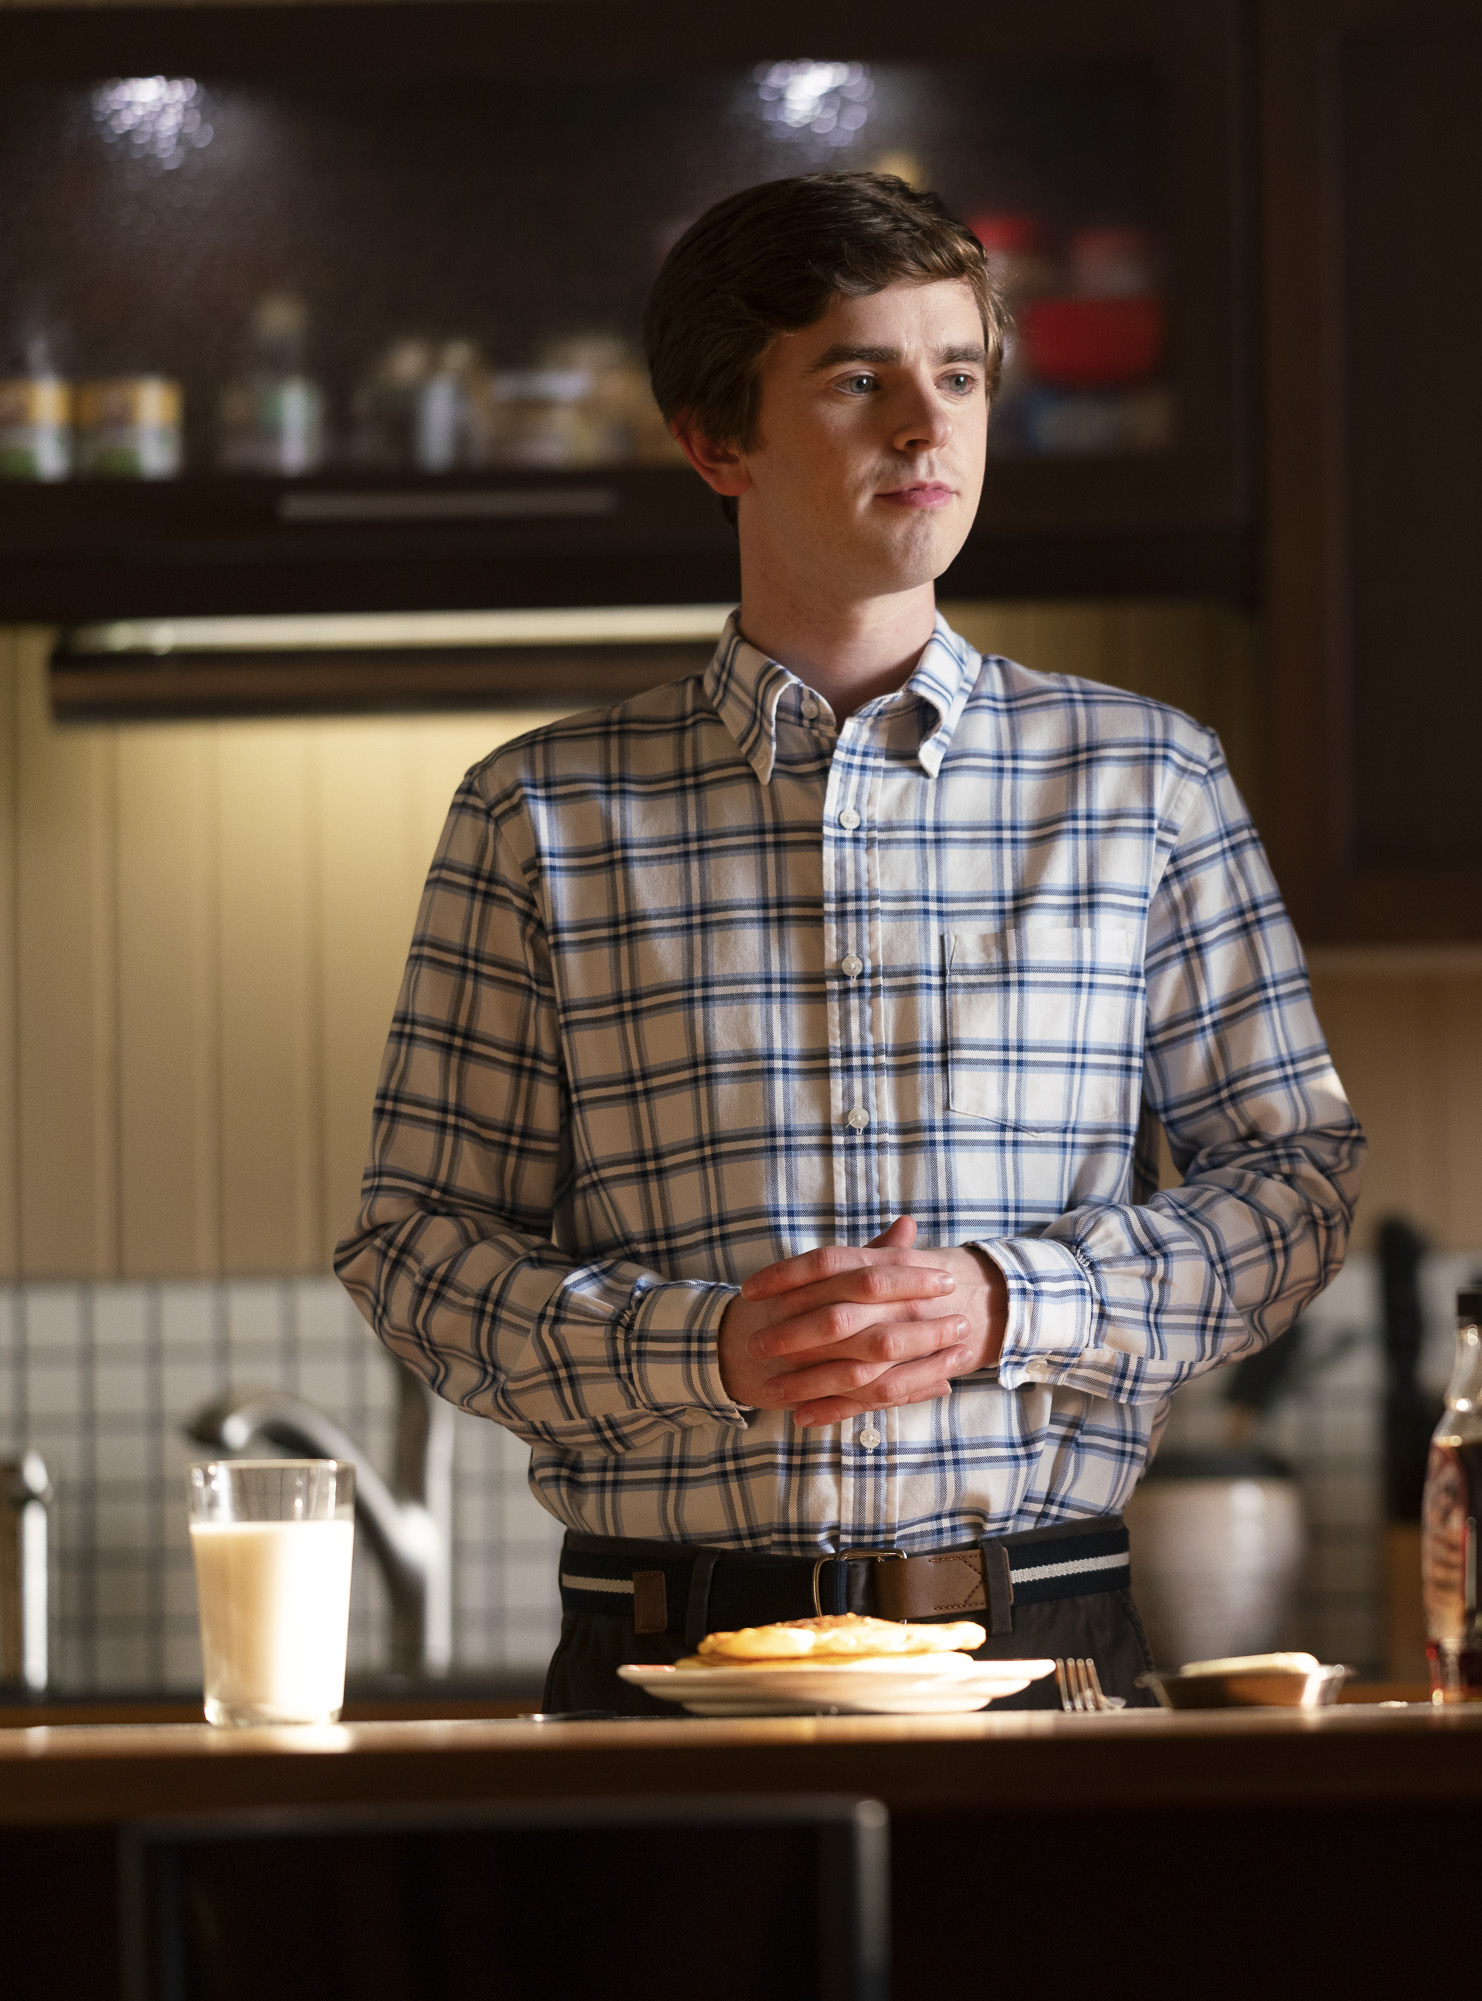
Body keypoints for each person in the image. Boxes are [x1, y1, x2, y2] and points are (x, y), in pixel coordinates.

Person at [336, 172, 1361, 1712]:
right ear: (717, 440)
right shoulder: (534, 816)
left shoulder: (1147, 780)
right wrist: (706, 1353)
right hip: (655, 1652)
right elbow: (410, 1245)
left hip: (1047, 1645)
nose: (927, 425)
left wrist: (1017, 1303)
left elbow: (1300, 1182)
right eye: (858, 377)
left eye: (958, 375)